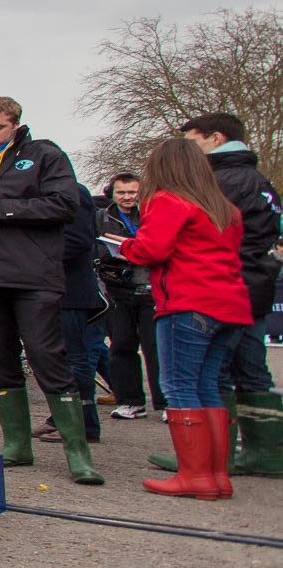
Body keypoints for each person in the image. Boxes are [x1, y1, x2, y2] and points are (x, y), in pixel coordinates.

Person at [0, 96, 100, 483]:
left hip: (31, 276)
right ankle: (17, 445)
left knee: (47, 357)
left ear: (16, 125)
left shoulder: (45, 157)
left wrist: (1, 207)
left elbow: (64, 205)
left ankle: (78, 451)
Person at [107, 138, 250, 499]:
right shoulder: (225, 208)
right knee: (208, 387)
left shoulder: (168, 201)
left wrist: (123, 245)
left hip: (188, 304)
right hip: (230, 306)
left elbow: (150, 250)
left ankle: (195, 476)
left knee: (179, 387)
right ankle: (217, 476)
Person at [177, 113, 283, 478]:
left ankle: (211, 458)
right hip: (253, 285)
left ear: (215, 138)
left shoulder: (222, 180)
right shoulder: (257, 179)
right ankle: (263, 453)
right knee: (251, 368)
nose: (189, 152)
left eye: (193, 142)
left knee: (214, 370)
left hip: (224, 286)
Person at [32, 182, 106, 444]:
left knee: (74, 359)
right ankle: (62, 419)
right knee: (55, 359)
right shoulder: (45, 192)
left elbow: (77, 240)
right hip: (50, 289)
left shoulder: (74, 192)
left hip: (70, 291)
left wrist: (30, 254)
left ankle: (84, 425)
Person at [98, 173, 166, 419]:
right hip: (118, 289)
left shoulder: (153, 213)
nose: (127, 197)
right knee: (121, 346)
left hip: (150, 289)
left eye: (132, 192)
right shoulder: (102, 217)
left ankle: (165, 402)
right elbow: (96, 246)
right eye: (121, 193)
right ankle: (130, 401)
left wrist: (135, 247)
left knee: (155, 348)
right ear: (112, 194)